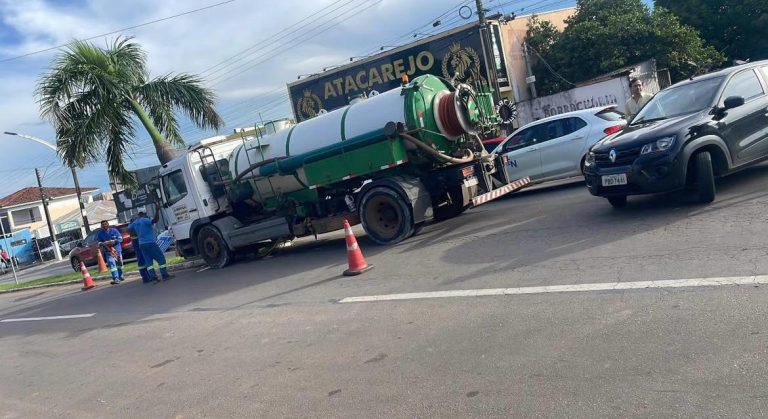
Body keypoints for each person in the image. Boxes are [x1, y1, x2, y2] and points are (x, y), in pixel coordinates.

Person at [128, 207, 173, 282]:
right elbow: (155, 220)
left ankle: (153, 277)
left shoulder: (135, 222)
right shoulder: (146, 220)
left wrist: (136, 234)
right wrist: (157, 210)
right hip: (150, 242)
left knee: (148, 261)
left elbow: (128, 229)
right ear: (144, 213)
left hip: (141, 244)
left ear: (139, 214)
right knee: (160, 258)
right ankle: (164, 275)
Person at [97, 220, 124, 285]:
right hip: (108, 251)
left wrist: (114, 241)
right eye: (103, 225)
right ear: (101, 226)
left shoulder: (114, 230)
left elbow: (120, 239)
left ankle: (120, 276)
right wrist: (104, 243)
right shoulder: (100, 234)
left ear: (108, 224)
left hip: (117, 250)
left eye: (106, 224)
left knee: (119, 264)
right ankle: (115, 278)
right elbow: (99, 243)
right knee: (112, 264)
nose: (105, 226)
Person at [129, 214, 151, 283]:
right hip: (137, 243)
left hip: (141, 242)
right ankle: (145, 277)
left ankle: (149, 275)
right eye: (136, 218)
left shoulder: (135, 224)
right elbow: (134, 233)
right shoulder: (132, 226)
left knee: (145, 259)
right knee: (141, 260)